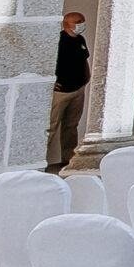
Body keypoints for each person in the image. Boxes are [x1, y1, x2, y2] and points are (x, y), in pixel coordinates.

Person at [50, 11, 91, 166]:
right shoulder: (58, 41)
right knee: (51, 126)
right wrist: (52, 81)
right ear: (68, 24)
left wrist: (87, 76)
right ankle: (38, 162)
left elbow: (84, 59)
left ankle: (68, 159)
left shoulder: (80, 39)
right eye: (79, 21)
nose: (82, 23)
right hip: (61, 91)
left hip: (78, 89)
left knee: (71, 125)